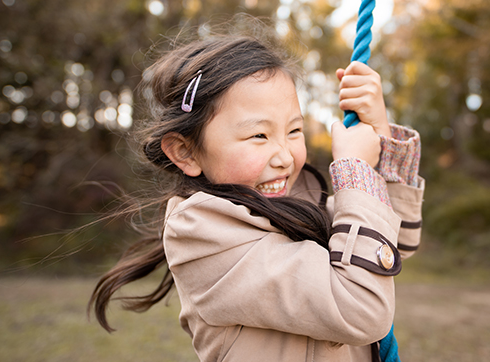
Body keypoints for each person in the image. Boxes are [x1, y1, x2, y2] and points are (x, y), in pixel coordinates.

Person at [89, 22, 425, 362]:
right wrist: (356, 174)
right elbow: (360, 310)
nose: (284, 156)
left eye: (294, 130)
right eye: (259, 136)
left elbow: (395, 245)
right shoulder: (200, 234)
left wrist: (380, 133)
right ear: (186, 152)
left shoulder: (303, 205)